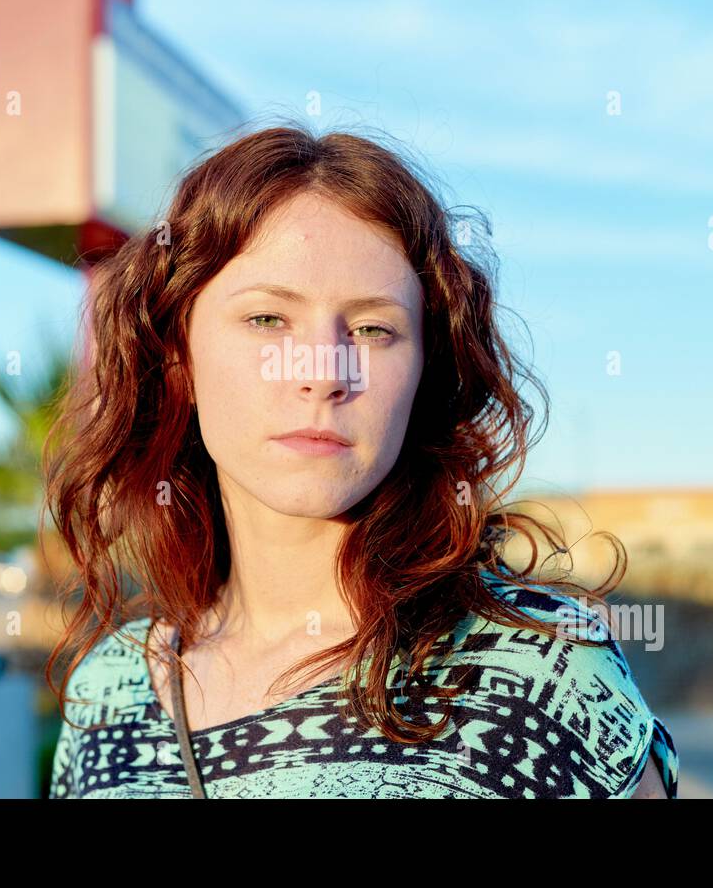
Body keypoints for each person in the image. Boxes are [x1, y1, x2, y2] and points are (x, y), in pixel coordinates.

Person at [42, 122, 677, 799]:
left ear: (423, 375)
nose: (323, 372)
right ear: (179, 356)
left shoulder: (541, 677)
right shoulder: (109, 693)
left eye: (374, 329)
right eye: (267, 320)